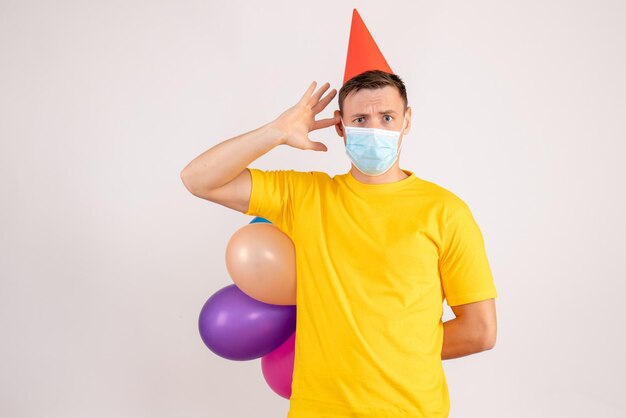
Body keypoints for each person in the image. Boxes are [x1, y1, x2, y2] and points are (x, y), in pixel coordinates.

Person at [181, 70, 498, 417]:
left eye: (387, 117)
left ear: (407, 121)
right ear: (340, 127)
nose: (374, 129)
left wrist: (391, 349)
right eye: (360, 119)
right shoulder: (306, 196)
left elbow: (479, 331)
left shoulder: (446, 212)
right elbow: (199, 179)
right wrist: (277, 132)